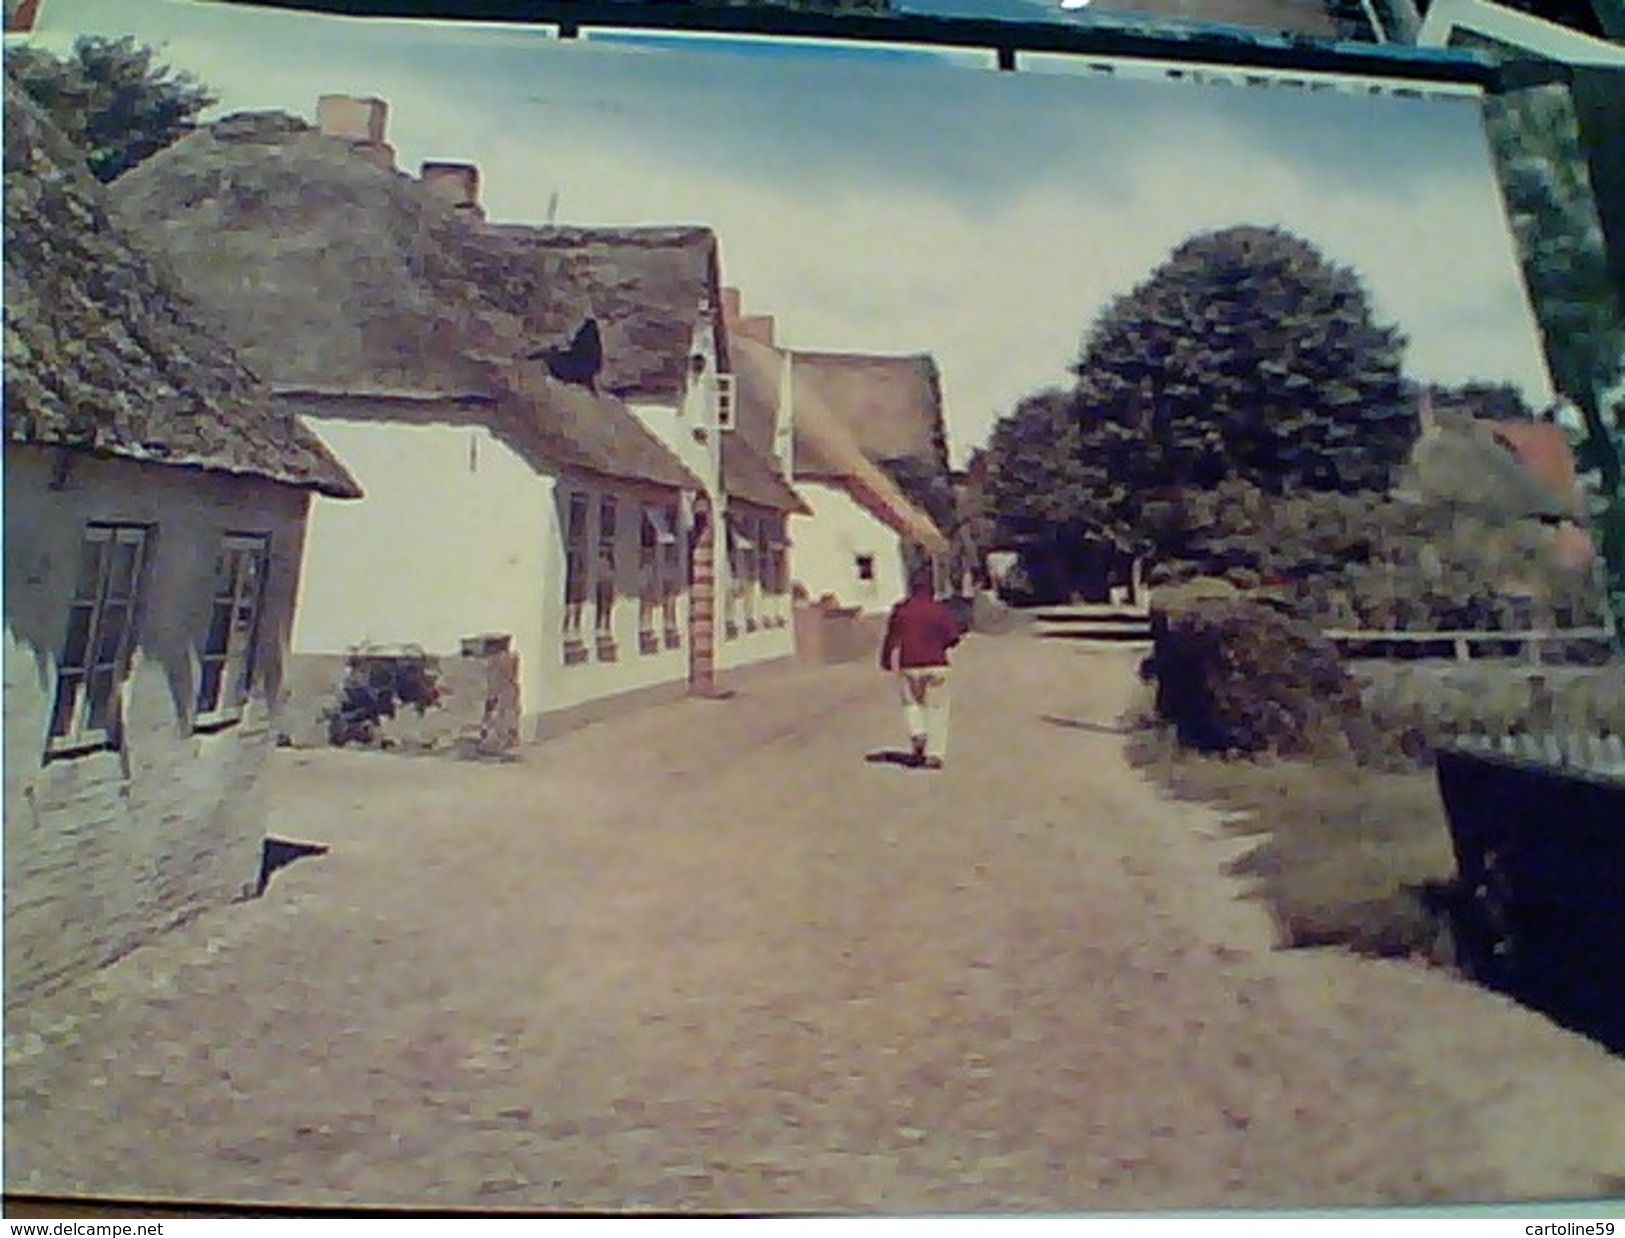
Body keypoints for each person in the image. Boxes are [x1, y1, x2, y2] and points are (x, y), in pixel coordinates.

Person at [879, 566, 966, 770]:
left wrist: (885, 659)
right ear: (931, 587)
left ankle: (918, 733)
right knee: (936, 708)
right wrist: (940, 644)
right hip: (937, 665)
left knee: (911, 704)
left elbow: (891, 638)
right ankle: (934, 754)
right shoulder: (939, 610)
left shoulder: (901, 609)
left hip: (908, 664)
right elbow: (953, 637)